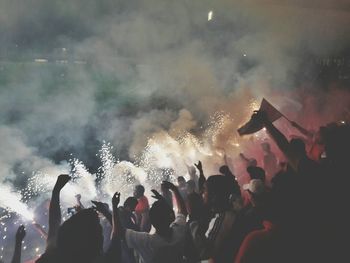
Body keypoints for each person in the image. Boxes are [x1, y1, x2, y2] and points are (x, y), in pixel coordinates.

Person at [116, 181, 188, 263]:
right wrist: (174, 190)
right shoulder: (178, 232)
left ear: (152, 221)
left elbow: (119, 231)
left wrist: (114, 208)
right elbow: (183, 212)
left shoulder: (146, 241)